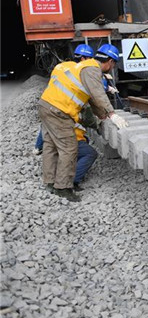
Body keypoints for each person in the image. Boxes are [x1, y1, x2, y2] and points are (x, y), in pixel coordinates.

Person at [38, 43, 128, 202]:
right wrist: (112, 114)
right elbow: (98, 94)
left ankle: (50, 182)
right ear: (110, 62)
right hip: (59, 111)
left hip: (46, 105)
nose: (112, 67)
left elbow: (92, 99)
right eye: (113, 64)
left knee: (50, 146)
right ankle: (63, 188)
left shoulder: (84, 66)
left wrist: (102, 116)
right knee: (69, 149)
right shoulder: (93, 69)